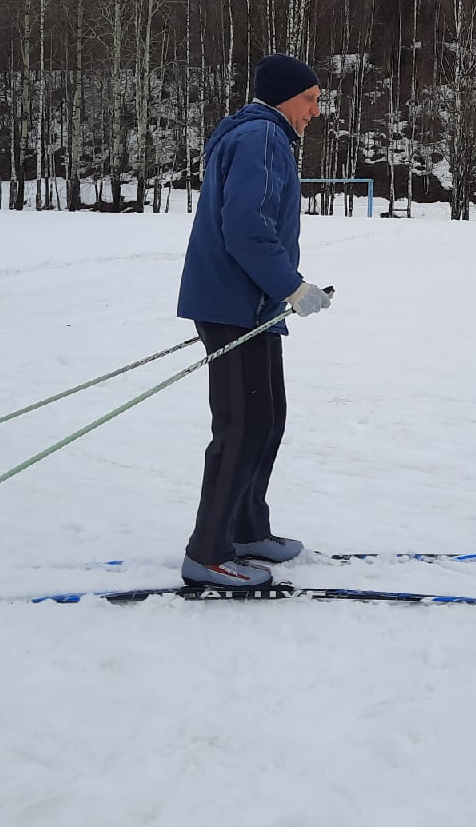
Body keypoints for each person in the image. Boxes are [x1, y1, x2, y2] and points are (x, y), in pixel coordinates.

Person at [174, 54, 332, 589]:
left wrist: (286, 288)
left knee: (267, 419)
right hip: (233, 305)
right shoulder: (262, 138)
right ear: (286, 97)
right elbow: (244, 226)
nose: (316, 110)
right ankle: (208, 551)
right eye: (310, 99)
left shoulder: (265, 138)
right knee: (241, 427)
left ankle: (245, 530)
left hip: (254, 306)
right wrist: (291, 286)